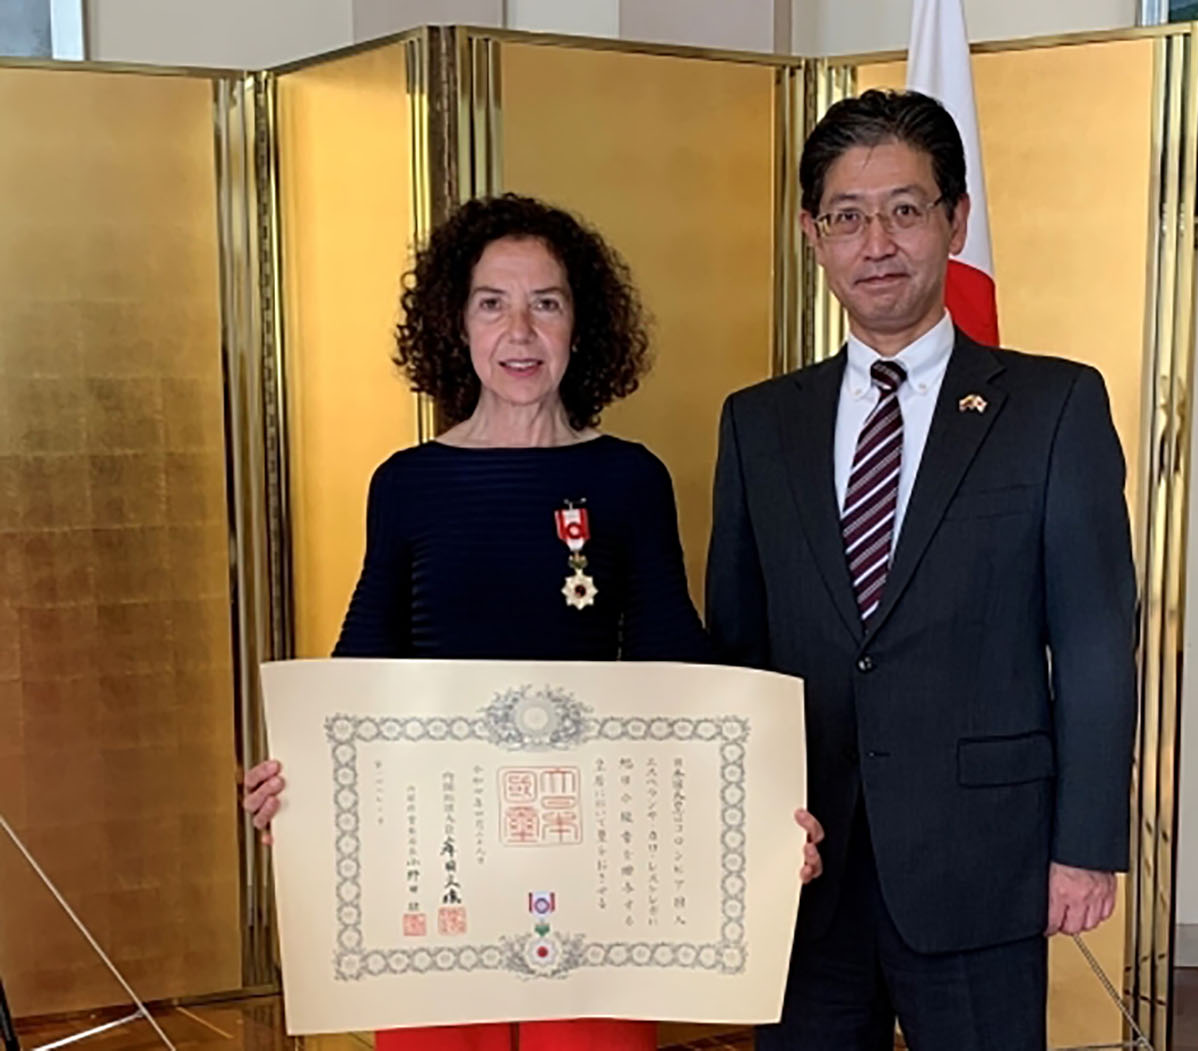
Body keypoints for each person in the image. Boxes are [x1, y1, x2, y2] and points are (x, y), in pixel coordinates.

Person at [242, 194, 824, 1051]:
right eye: (492, 303)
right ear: (458, 324)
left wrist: (766, 803)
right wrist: (294, 780)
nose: (520, 329)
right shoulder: (406, 483)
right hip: (439, 856)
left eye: (545, 302)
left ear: (580, 325)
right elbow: (360, 665)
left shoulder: (629, 478)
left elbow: (675, 662)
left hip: (593, 861)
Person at [705, 89, 1138, 1050]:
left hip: (982, 861)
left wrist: (1086, 846)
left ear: (955, 220)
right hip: (804, 863)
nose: (878, 243)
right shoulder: (758, 422)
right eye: (848, 217)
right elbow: (735, 641)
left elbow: (1099, 637)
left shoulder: (1052, 405)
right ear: (813, 235)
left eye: (905, 210)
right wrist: (728, 826)